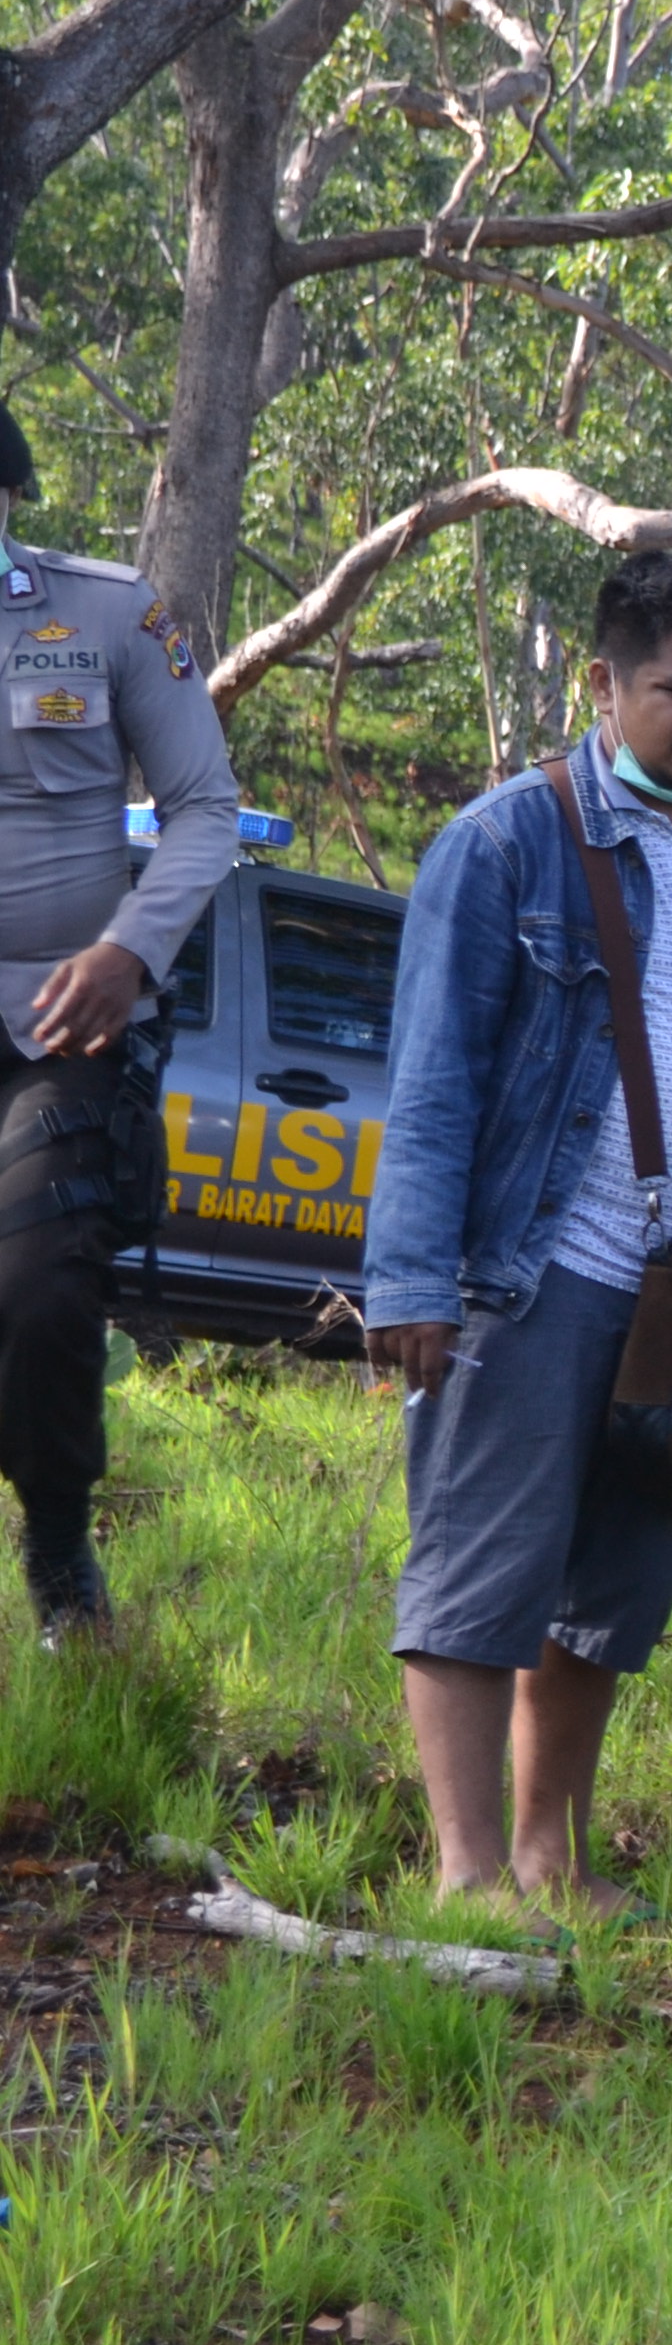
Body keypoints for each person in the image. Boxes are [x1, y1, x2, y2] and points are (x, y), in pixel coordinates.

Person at [367, 554, 672, 1911]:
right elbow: (435, 1083)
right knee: (483, 1570)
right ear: (604, 685)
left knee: (613, 1583)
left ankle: (553, 1856)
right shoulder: (505, 840)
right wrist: (413, 1279)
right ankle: (467, 1870)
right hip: (535, 1268)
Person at [0, 407, 240, 1638]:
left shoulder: (108, 616)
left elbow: (206, 807)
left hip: (59, 1020)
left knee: (41, 1296)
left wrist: (127, 952)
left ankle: (56, 1551)